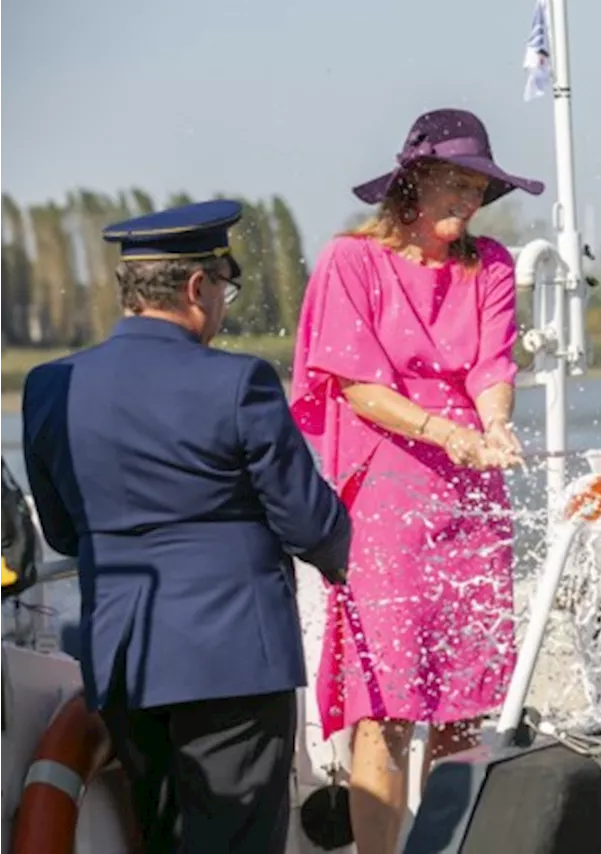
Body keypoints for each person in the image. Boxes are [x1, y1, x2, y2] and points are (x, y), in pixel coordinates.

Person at [21, 199, 352, 854]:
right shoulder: (239, 382)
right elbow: (310, 522)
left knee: (162, 835)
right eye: (225, 286)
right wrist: (343, 559)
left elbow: (63, 532)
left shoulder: (49, 385)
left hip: (124, 658)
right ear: (198, 286)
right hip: (233, 660)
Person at [289, 107, 543, 854]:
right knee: (387, 706)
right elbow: (356, 384)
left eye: (477, 189)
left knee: (464, 703)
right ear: (411, 184)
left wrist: (495, 424)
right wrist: (446, 433)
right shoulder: (350, 262)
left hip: (472, 498)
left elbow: (493, 366)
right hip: (387, 496)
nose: (466, 202)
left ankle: (449, 847)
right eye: (453, 185)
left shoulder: (490, 264)